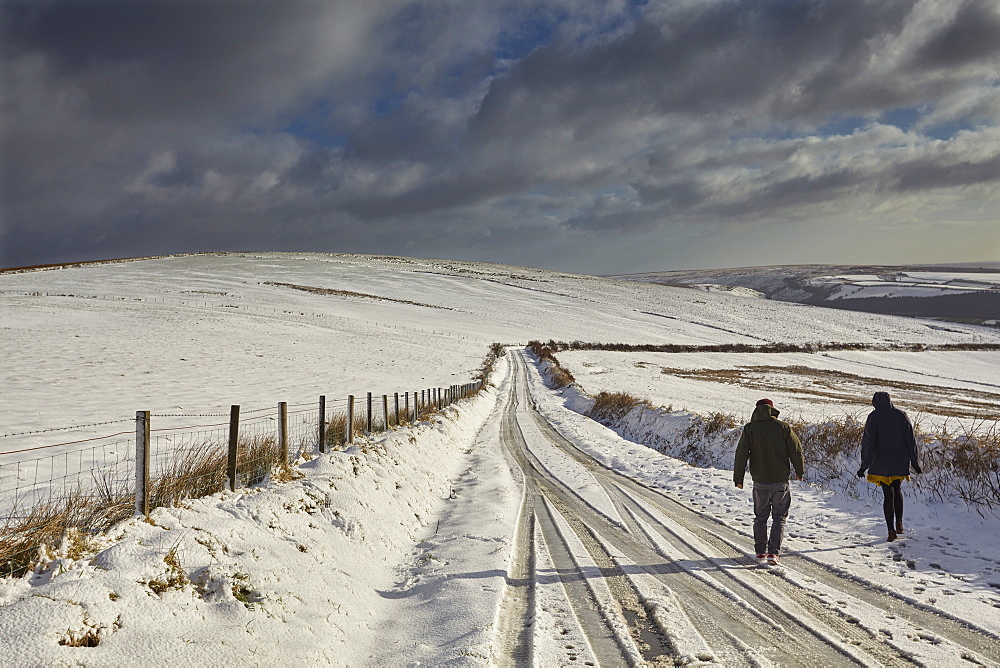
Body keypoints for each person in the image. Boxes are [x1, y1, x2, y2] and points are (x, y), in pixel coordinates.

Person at [734, 398, 805, 565]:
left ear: (756, 410)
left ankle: (760, 552)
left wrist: (739, 478)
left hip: (760, 481)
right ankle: (773, 553)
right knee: (779, 518)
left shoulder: (750, 429)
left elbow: (741, 454)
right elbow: (795, 450)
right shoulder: (783, 427)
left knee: (760, 517)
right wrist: (799, 471)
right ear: (772, 409)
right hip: (781, 481)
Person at [856, 391, 920, 542]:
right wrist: (915, 462)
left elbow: (868, 443)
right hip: (900, 460)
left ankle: (891, 531)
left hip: (881, 462)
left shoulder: (874, 417)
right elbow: (911, 440)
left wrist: (864, 465)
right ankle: (900, 523)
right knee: (897, 489)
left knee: (888, 494)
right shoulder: (901, 415)